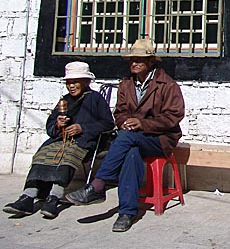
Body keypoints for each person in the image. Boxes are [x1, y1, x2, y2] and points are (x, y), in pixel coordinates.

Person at [65, 38, 185, 232]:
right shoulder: (126, 84)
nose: (134, 63)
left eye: (139, 59)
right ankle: (127, 212)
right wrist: (125, 123)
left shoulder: (167, 85)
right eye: (132, 60)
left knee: (126, 139)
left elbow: (174, 116)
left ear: (151, 62)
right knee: (131, 152)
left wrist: (143, 123)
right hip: (132, 138)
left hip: (160, 139)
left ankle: (98, 185)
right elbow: (119, 112)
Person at [3, 61, 114, 219]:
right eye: (68, 82)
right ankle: (27, 197)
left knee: (67, 156)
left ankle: (53, 198)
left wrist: (82, 128)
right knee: (42, 154)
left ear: (86, 82)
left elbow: (107, 123)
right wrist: (57, 123)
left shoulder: (96, 99)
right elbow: (50, 124)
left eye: (75, 82)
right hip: (60, 140)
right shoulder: (64, 101)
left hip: (83, 142)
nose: (71, 86)